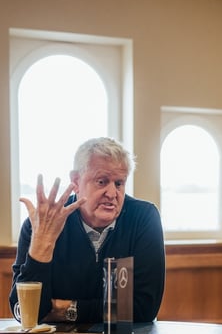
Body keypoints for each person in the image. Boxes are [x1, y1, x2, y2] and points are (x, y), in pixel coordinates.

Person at [10, 137, 165, 324]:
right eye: (102, 181)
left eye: (119, 183)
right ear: (76, 181)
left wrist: (66, 309)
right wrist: (41, 248)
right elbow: (25, 313)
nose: (112, 194)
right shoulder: (40, 226)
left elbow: (143, 309)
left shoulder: (143, 218)